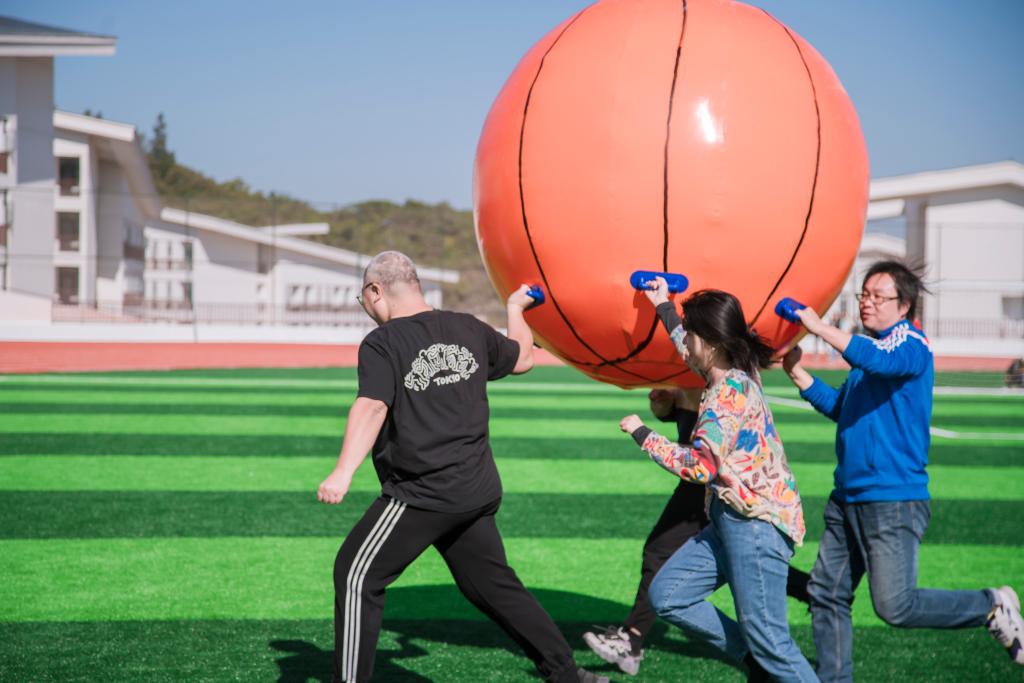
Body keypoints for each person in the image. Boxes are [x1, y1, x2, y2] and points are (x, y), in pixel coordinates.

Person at [316, 251, 607, 683]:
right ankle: (567, 674)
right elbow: (523, 359)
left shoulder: (383, 342)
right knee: (492, 586)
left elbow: (373, 406)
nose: (366, 308)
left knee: (355, 575)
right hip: (475, 492)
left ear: (376, 291)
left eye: (364, 299)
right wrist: (514, 310)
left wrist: (343, 471)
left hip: (423, 495)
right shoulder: (468, 327)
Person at [781, 260, 1024, 682]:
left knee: (896, 606)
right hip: (847, 498)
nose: (867, 303)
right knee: (826, 594)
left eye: (879, 296)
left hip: (891, 500)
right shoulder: (872, 354)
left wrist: (819, 328)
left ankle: (990, 605)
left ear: (904, 305)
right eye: (864, 295)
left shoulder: (910, 344)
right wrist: (798, 374)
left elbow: (879, 360)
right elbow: (843, 409)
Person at [619, 279, 817, 682]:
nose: (687, 341)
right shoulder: (731, 368)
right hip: (729, 521)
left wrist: (643, 434)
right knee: (668, 595)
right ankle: (756, 661)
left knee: (773, 643)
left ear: (709, 342)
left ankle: (764, 659)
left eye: (692, 333)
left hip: (755, 525)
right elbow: (686, 345)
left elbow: (700, 468)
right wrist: (663, 304)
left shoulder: (727, 396)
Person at [583, 388, 812, 678]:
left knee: (766, 629)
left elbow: (702, 463)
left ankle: (632, 639)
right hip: (711, 492)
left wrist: (643, 433)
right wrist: (665, 407)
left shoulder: (726, 384)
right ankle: (813, 593)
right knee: (737, 566)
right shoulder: (699, 378)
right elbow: (682, 421)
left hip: (721, 489)